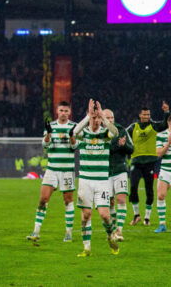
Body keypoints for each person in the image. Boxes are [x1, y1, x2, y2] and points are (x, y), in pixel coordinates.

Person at [72, 99, 120, 256]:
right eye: (94, 118)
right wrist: (88, 116)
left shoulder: (104, 134)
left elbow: (116, 133)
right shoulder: (83, 134)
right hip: (85, 181)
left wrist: (103, 116)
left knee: (105, 215)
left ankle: (109, 235)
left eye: (98, 118)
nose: (96, 121)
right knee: (86, 215)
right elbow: (73, 133)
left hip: (102, 182)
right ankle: (87, 248)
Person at [27, 101, 77, 242]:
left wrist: (72, 136)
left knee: (68, 201)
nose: (63, 113)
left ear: (69, 112)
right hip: (52, 169)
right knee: (43, 199)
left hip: (67, 170)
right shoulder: (51, 126)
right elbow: (45, 145)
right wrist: (48, 134)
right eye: (61, 110)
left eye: (66, 111)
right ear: (57, 111)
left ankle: (68, 233)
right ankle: (36, 232)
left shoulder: (74, 126)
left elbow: (75, 147)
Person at [126, 102, 170, 226]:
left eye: (148, 114)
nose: (147, 117)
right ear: (140, 115)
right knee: (133, 187)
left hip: (150, 162)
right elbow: (123, 136)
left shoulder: (154, 126)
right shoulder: (133, 127)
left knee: (149, 189)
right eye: (145, 115)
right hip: (136, 161)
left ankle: (147, 217)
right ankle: (136, 215)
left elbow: (164, 125)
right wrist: (128, 148)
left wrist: (166, 112)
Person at [103, 109, 133, 242]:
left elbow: (131, 149)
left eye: (112, 117)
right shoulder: (98, 132)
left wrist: (124, 145)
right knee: (110, 202)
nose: (110, 120)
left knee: (121, 199)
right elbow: (104, 151)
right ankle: (114, 228)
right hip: (105, 172)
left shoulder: (121, 129)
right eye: (107, 118)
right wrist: (117, 145)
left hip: (120, 169)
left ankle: (119, 229)